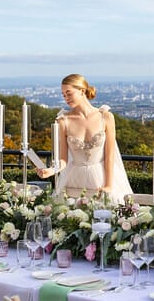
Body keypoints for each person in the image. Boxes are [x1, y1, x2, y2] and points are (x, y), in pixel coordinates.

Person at [36, 74, 133, 205]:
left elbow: (110, 156)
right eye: (63, 95)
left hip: (102, 177)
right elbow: (63, 160)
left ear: (82, 90)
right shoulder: (63, 121)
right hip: (73, 179)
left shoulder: (106, 117)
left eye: (68, 93)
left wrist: (109, 186)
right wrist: (51, 171)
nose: (66, 98)